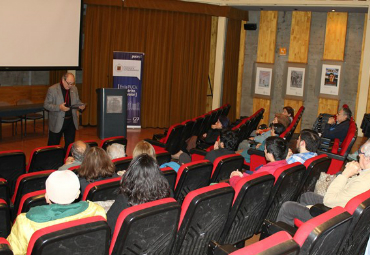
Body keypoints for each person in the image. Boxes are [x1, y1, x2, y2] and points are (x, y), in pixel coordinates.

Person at [7, 170, 106, 255]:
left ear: (47, 197)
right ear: (78, 194)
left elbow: (13, 251)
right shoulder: (97, 211)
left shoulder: (25, 223)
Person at [276, 140, 370, 227]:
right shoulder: (365, 173)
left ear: (367, 159)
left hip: (335, 220)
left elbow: (329, 201)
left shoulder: (363, 182)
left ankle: (281, 242)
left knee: (287, 207)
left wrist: (345, 174)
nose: (358, 156)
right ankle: (304, 231)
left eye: (360, 153)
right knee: (307, 196)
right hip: (339, 207)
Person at [107, 154, 171, 234]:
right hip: (158, 241)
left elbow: (108, 229)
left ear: (130, 175)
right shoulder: (167, 195)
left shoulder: (123, 201)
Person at [44, 73, 85, 151]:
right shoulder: (52, 89)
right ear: (63, 80)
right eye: (69, 83)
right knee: (53, 146)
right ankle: (52, 161)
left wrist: (81, 105)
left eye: (72, 83)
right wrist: (59, 107)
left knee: (70, 146)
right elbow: (46, 105)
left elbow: (77, 101)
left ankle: (67, 160)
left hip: (71, 121)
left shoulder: (74, 89)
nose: (70, 85)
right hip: (57, 121)